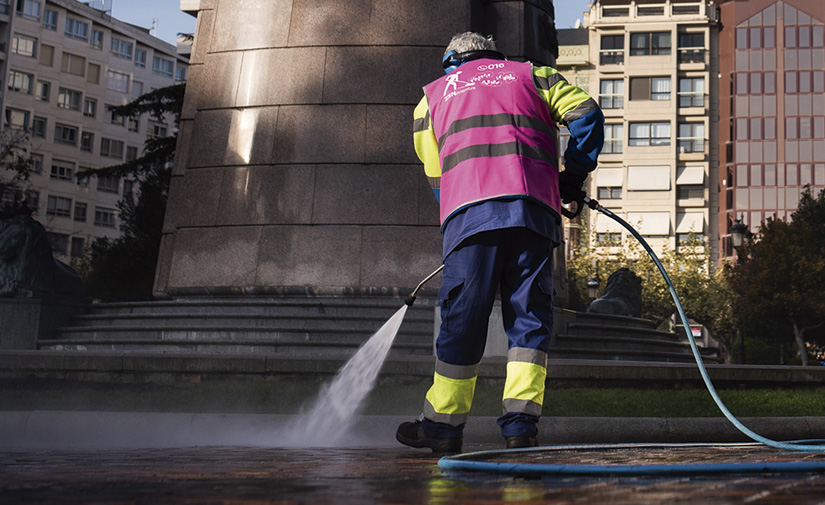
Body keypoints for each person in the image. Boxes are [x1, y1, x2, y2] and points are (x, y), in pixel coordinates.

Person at [396, 32, 604, 452]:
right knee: (529, 318)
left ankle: (442, 428)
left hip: (470, 216)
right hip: (534, 214)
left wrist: (459, 220)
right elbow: (587, 113)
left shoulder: (431, 98)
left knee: (463, 319)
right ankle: (520, 428)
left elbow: (438, 176)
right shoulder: (534, 75)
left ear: (451, 60)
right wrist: (571, 177)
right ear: (493, 53)